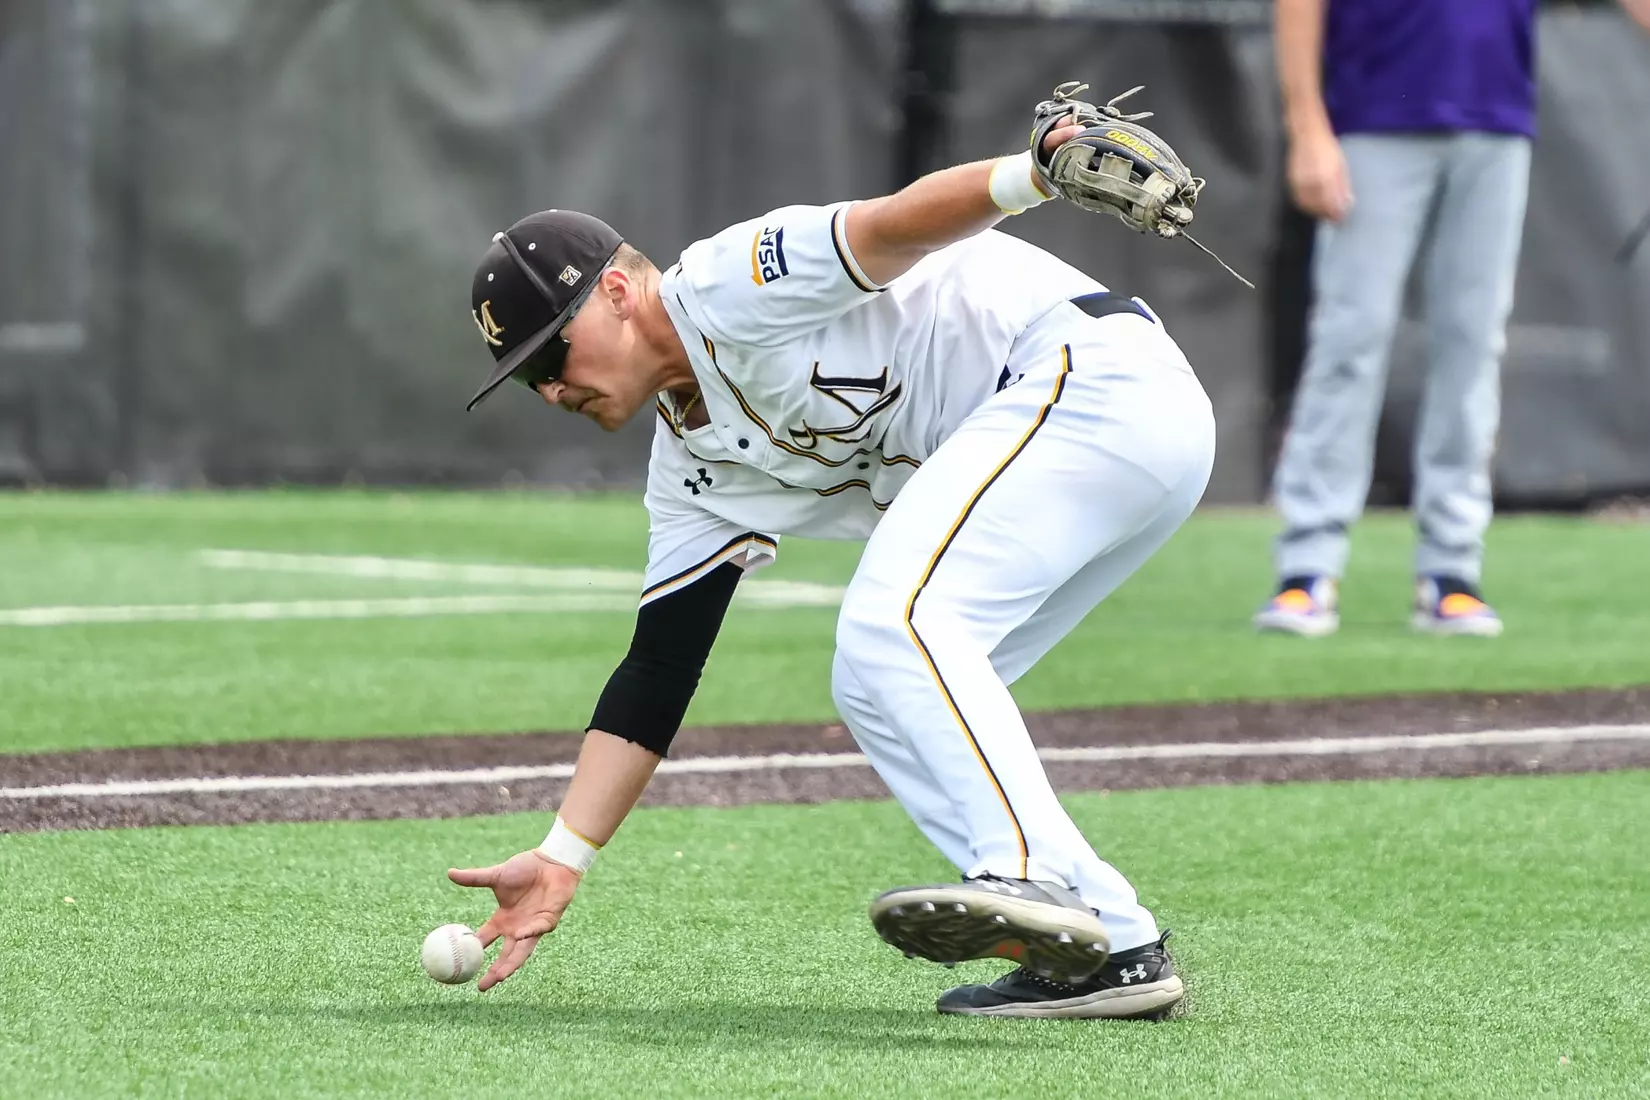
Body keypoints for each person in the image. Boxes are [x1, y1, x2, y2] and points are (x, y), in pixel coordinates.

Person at [445, 86, 1215, 1020]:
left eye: (548, 354)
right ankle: (1112, 948)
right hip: (1092, 439)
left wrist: (1034, 173)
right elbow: (658, 667)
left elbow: (895, 227)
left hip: (1090, 377)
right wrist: (564, 856)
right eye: (525, 377)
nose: (547, 388)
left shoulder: (722, 287)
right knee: (879, 683)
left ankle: (1025, 878)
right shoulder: (690, 467)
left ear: (614, 291)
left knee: (900, 624)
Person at [1256, 0, 1650, 638]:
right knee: (1349, 341)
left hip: (1494, 122)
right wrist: (1307, 128)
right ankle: (1307, 568)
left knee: (1471, 345)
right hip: (1371, 116)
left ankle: (1450, 571)